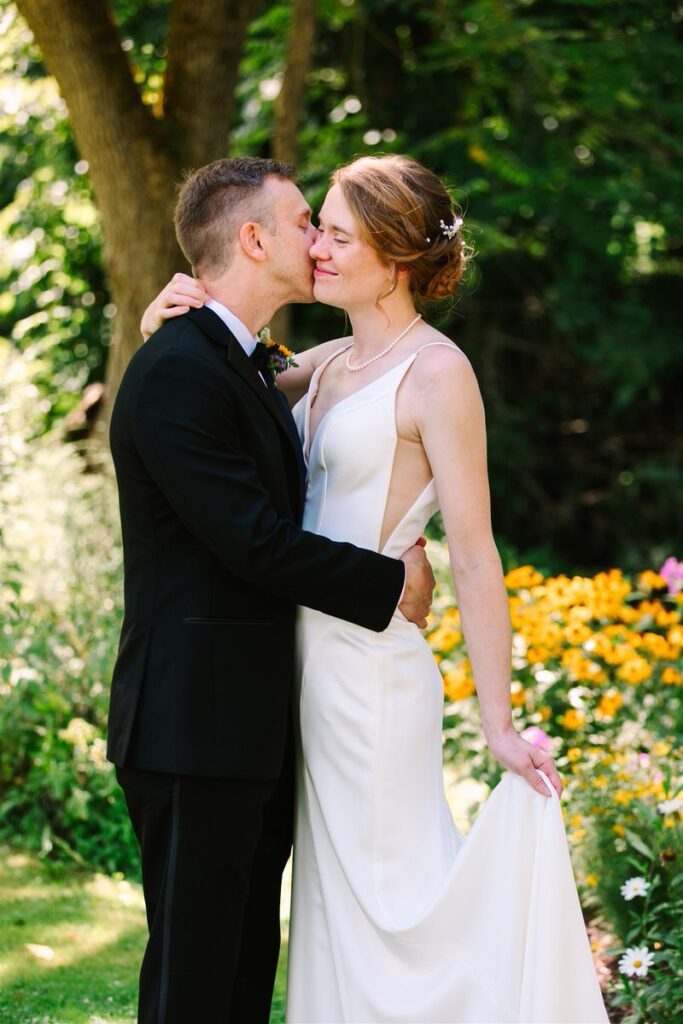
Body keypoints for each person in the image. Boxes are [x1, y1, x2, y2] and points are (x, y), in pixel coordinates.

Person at [144, 155, 609, 1022]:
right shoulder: (324, 363)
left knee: (396, 908)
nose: (316, 245)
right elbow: (213, 391)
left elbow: (471, 553)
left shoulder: (437, 373)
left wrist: (498, 722)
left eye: (338, 234)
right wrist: (168, 324)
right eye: (315, 225)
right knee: (334, 910)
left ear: (395, 258)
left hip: (372, 677)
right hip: (297, 671)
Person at [107, 155, 436, 1024]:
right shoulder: (181, 370)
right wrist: (389, 582)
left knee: (241, 974)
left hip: (243, 725)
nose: (318, 242)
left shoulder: (236, 360)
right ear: (252, 239)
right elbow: (253, 542)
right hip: (190, 728)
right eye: (303, 224)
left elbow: (351, 376)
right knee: (196, 980)